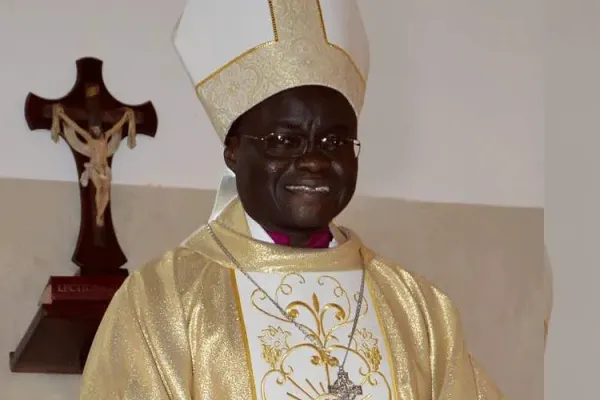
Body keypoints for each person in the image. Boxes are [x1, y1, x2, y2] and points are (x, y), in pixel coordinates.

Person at [80, 0, 505, 399]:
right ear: (233, 151)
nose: (315, 160)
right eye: (286, 140)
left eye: (335, 140)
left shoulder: (418, 309)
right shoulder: (163, 299)